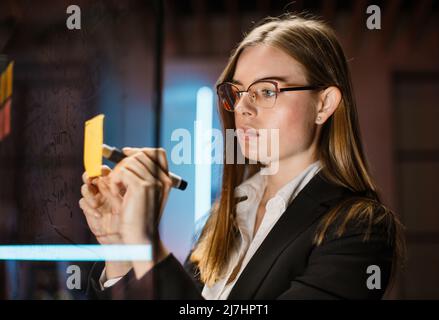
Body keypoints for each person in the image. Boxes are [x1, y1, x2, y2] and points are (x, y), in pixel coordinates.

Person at [79, 13, 404, 300]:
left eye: (267, 91)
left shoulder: (361, 228)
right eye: (236, 92)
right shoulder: (222, 219)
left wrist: (147, 242)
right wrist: (122, 246)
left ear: (323, 104)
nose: (243, 108)